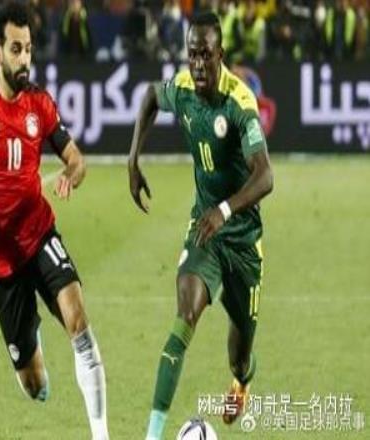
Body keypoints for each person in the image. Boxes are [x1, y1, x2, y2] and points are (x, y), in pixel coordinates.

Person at [0, 3, 109, 439]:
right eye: (16, 49)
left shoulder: (40, 103)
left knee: (78, 320)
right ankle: (29, 340)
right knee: (35, 386)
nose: (24, 59)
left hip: (39, 234)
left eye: (29, 49)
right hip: (0, 260)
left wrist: (72, 172)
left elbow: (76, 158)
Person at [128, 12, 273, 440]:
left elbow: (265, 176)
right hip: (205, 230)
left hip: (243, 239)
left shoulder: (239, 103)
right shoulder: (183, 89)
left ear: (220, 55)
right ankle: (152, 435)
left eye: (205, 55)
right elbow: (150, 97)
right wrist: (133, 159)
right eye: (192, 55)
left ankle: (241, 381)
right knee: (185, 314)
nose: (197, 64)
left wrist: (225, 210)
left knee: (240, 355)